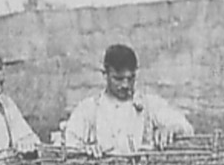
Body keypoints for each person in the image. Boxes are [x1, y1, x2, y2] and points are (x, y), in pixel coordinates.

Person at [65, 44, 194, 156]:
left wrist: (171, 129)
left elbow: (186, 128)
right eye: (118, 79)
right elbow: (69, 145)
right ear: (105, 75)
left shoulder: (149, 105)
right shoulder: (88, 110)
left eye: (130, 78)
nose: (126, 85)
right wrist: (85, 151)